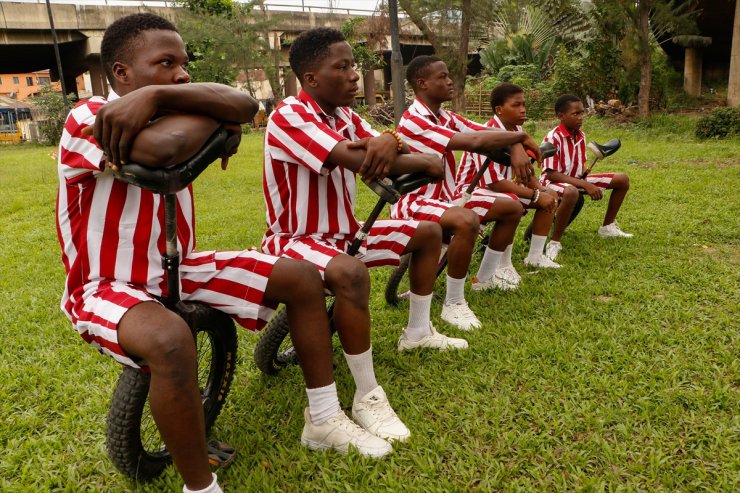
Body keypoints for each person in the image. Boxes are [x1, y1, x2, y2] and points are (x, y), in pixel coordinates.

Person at [55, 15, 388, 493]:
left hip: (179, 264)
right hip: (105, 283)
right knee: (170, 339)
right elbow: (166, 149)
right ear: (122, 73)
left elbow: (244, 103)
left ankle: (324, 417)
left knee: (300, 278)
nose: (183, 74)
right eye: (165, 64)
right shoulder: (87, 116)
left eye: (185, 65)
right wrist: (215, 122)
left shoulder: (161, 105)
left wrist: (160, 95)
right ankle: (201, 487)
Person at [262, 27, 469, 362]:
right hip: (297, 239)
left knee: (429, 233)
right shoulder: (289, 115)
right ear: (311, 78)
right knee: (350, 274)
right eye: (342, 67)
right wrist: (421, 159)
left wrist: (390, 139)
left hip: (345, 233)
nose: (354, 75)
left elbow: (386, 152)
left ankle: (418, 332)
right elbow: (363, 159)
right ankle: (365, 388)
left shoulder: (344, 115)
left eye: (352, 65)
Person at [392, 55, 542, 308]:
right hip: (416, 201)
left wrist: (515, 141)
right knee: (466, 220)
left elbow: (481, 130)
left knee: (512, 207)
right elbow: (474, 141)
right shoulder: (414, 121)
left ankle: (485, 278)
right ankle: (454, 302)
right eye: (443, 77)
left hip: (447, 200)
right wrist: (521, 137)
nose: (450, 82)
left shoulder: (445, 116)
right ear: (423, 83)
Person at [456, 82, 561, 269]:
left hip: (498, 190)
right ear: (499, 110)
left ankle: (535, 256)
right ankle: (501, 266)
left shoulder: (517, 131)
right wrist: (536, 195)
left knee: (551, 195)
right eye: (516, 105)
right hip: (469, 193)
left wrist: (541, 189)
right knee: (512, 202)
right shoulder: (486, 134)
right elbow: (494, 183)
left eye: (523, 104)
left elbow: (525, 174)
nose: (523, 110)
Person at [540, 94, 633, 261]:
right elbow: (551, 174)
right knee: (571, 192)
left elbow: (577, 165)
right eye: (575, 114)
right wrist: (584, 185)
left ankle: (607, 227)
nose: (581, 117)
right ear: (561, 116)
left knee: (622, 179)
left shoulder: (580, 135)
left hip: (574, 179)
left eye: (582, 113)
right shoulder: (553, 137)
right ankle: (554, 242)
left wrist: (583, 177)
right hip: (552, 182)